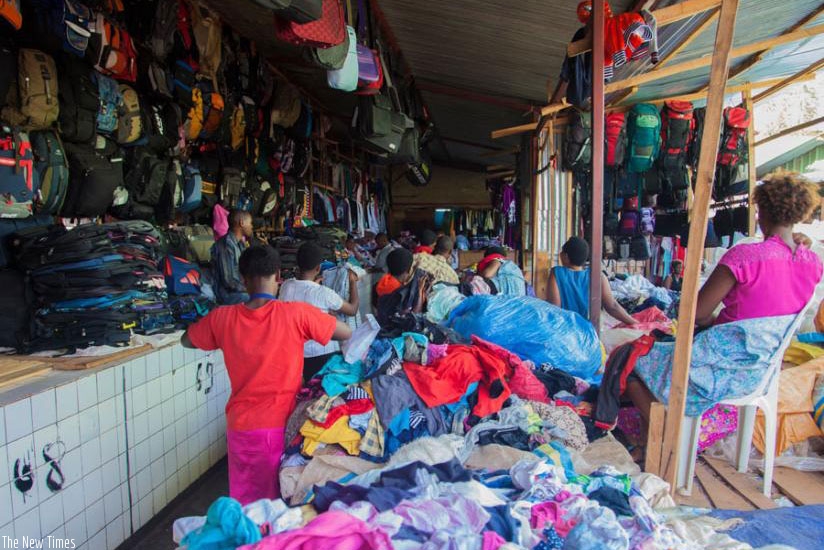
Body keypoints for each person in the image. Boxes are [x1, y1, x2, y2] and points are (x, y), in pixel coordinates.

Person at [625, 173, 823, 444]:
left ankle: (666, 436)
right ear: (798, 213)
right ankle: (656, 444)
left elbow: (696, 313)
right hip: (758, 374)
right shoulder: (813, 262)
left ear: (760, 211)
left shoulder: (746, 256)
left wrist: (716, 319)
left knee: (631, 360)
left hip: (713, 368)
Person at [182, 245, 352, 504]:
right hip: (282, 426)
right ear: (279, 276)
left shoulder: (222, 319)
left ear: (242, 278)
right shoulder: (296, 313)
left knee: (246, 504)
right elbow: (345, 332)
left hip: (241, 427)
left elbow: (187, 340)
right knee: (280, 506)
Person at [279, 243, 360, 381]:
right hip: (321, 355)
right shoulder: (324, 294)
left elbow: (304, 292)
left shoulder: (286, 286)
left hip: (294, 355)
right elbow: (352, 310)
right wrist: (353, 283)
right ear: (318, 268)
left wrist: (314, 285)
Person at [548, 236, 638, 325]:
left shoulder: (557, 273)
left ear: (566, 256)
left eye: (562, 252)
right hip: (589, 330)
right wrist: (633, 322)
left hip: (565, 329)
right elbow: (612, 306)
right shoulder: (598, 276)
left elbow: (555, 308)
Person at [212, 209, 253, 305]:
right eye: (250, 223)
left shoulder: (240, 244)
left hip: (238, 290)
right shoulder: (226, 245)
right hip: (226, 295)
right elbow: (228, 280)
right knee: (256, 300)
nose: (252, 226)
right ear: (242, 223)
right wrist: (249, 289)